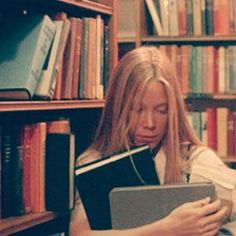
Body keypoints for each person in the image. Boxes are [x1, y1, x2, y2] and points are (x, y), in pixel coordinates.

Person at [70, 46, 236, 236]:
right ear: (119, 107)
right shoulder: (95, 162)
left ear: (174, 112)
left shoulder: (194, 159)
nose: (149, 123)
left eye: (161, 110)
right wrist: (168, 229)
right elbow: (79, 234)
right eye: (137, 109)